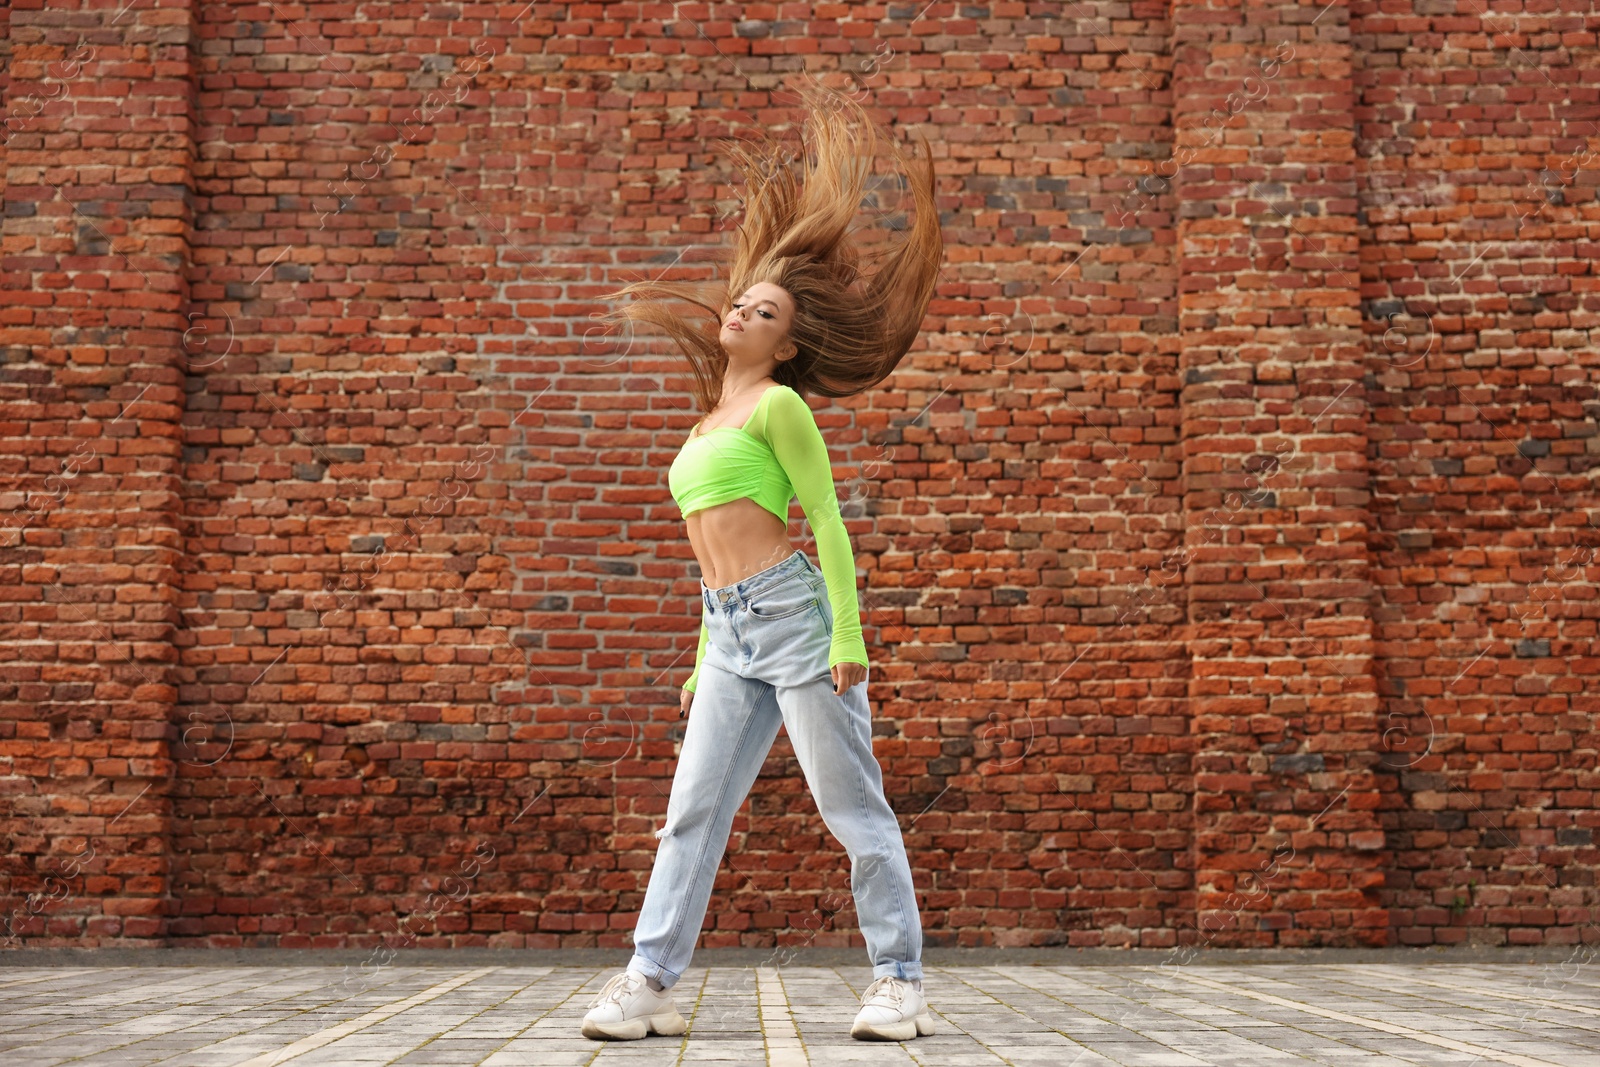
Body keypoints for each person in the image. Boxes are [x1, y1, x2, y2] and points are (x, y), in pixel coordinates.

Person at [577, 75, 944, 1043]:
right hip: (729, 630)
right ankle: (647, 981)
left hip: (798, 620)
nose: (743, 312)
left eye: (766, 312)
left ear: (786, 346)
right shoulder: (706, 421)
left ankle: (898, 981)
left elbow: (825, 523)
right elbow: (708, 562)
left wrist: (849, 638)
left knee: (848, 807)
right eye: (743, 302)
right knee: (690, 814)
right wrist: (703, 660)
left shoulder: (781, 407)